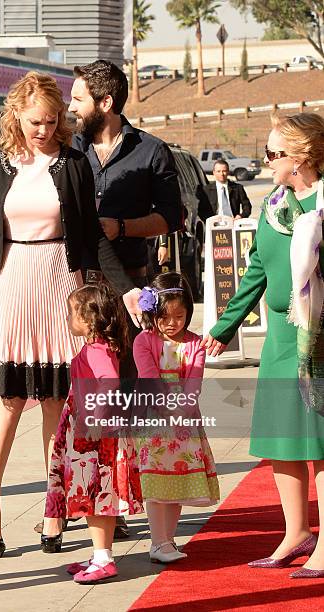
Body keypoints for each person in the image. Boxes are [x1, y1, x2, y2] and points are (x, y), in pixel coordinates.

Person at [0, 72, 140, 557]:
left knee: (56, 405)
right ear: (16, 115)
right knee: (10, 401)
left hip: (61, 283)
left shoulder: (74, 163)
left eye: (52, 120)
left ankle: (53, 508)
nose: (43, 129)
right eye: (35, 121)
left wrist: (124, 291)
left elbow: (92, 237)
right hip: (14, 282)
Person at [202, 113, 324, 578]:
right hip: (278, 339)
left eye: (273, 153)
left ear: (302, 157)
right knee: (284, 441)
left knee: (319, 444)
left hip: (317, 340)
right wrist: (222, 326)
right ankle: (296, 532)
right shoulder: (275, 205)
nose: (265, 160)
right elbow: (256, 271)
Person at [69, 58, 183, 538]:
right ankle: (84, 503)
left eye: (78, 99)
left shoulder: (152, 151)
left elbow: (172, 217)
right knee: (80, 399)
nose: (72, 108)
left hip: (131, 291)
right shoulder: (68, 150)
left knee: (131, 394)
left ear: (106, 103)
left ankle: (132, 498)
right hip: (76, 290)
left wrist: (121, 227)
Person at [44, 284, 143, 583]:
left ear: (88, 320)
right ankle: (99, 553)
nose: (67, 318)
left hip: (96, 440)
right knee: (93, 496)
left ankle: (104, 558)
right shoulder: (98, 346)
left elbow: (110, 382)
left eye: (71, 313)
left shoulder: (97, 349)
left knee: (97, 496)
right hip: (92, 434)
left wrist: (96, 417)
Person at [133, 272, 219, 563]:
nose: (173, 323)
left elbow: (194, 382)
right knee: (156, 481)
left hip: (185, 421)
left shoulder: (195, 344)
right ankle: (158, 541)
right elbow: (150, 378)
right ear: (152, 314)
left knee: (178, 480)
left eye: (180, 316)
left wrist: (183, 409)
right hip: (155, 420)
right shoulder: (144, 341)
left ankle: (168, 541)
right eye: (166, 317)